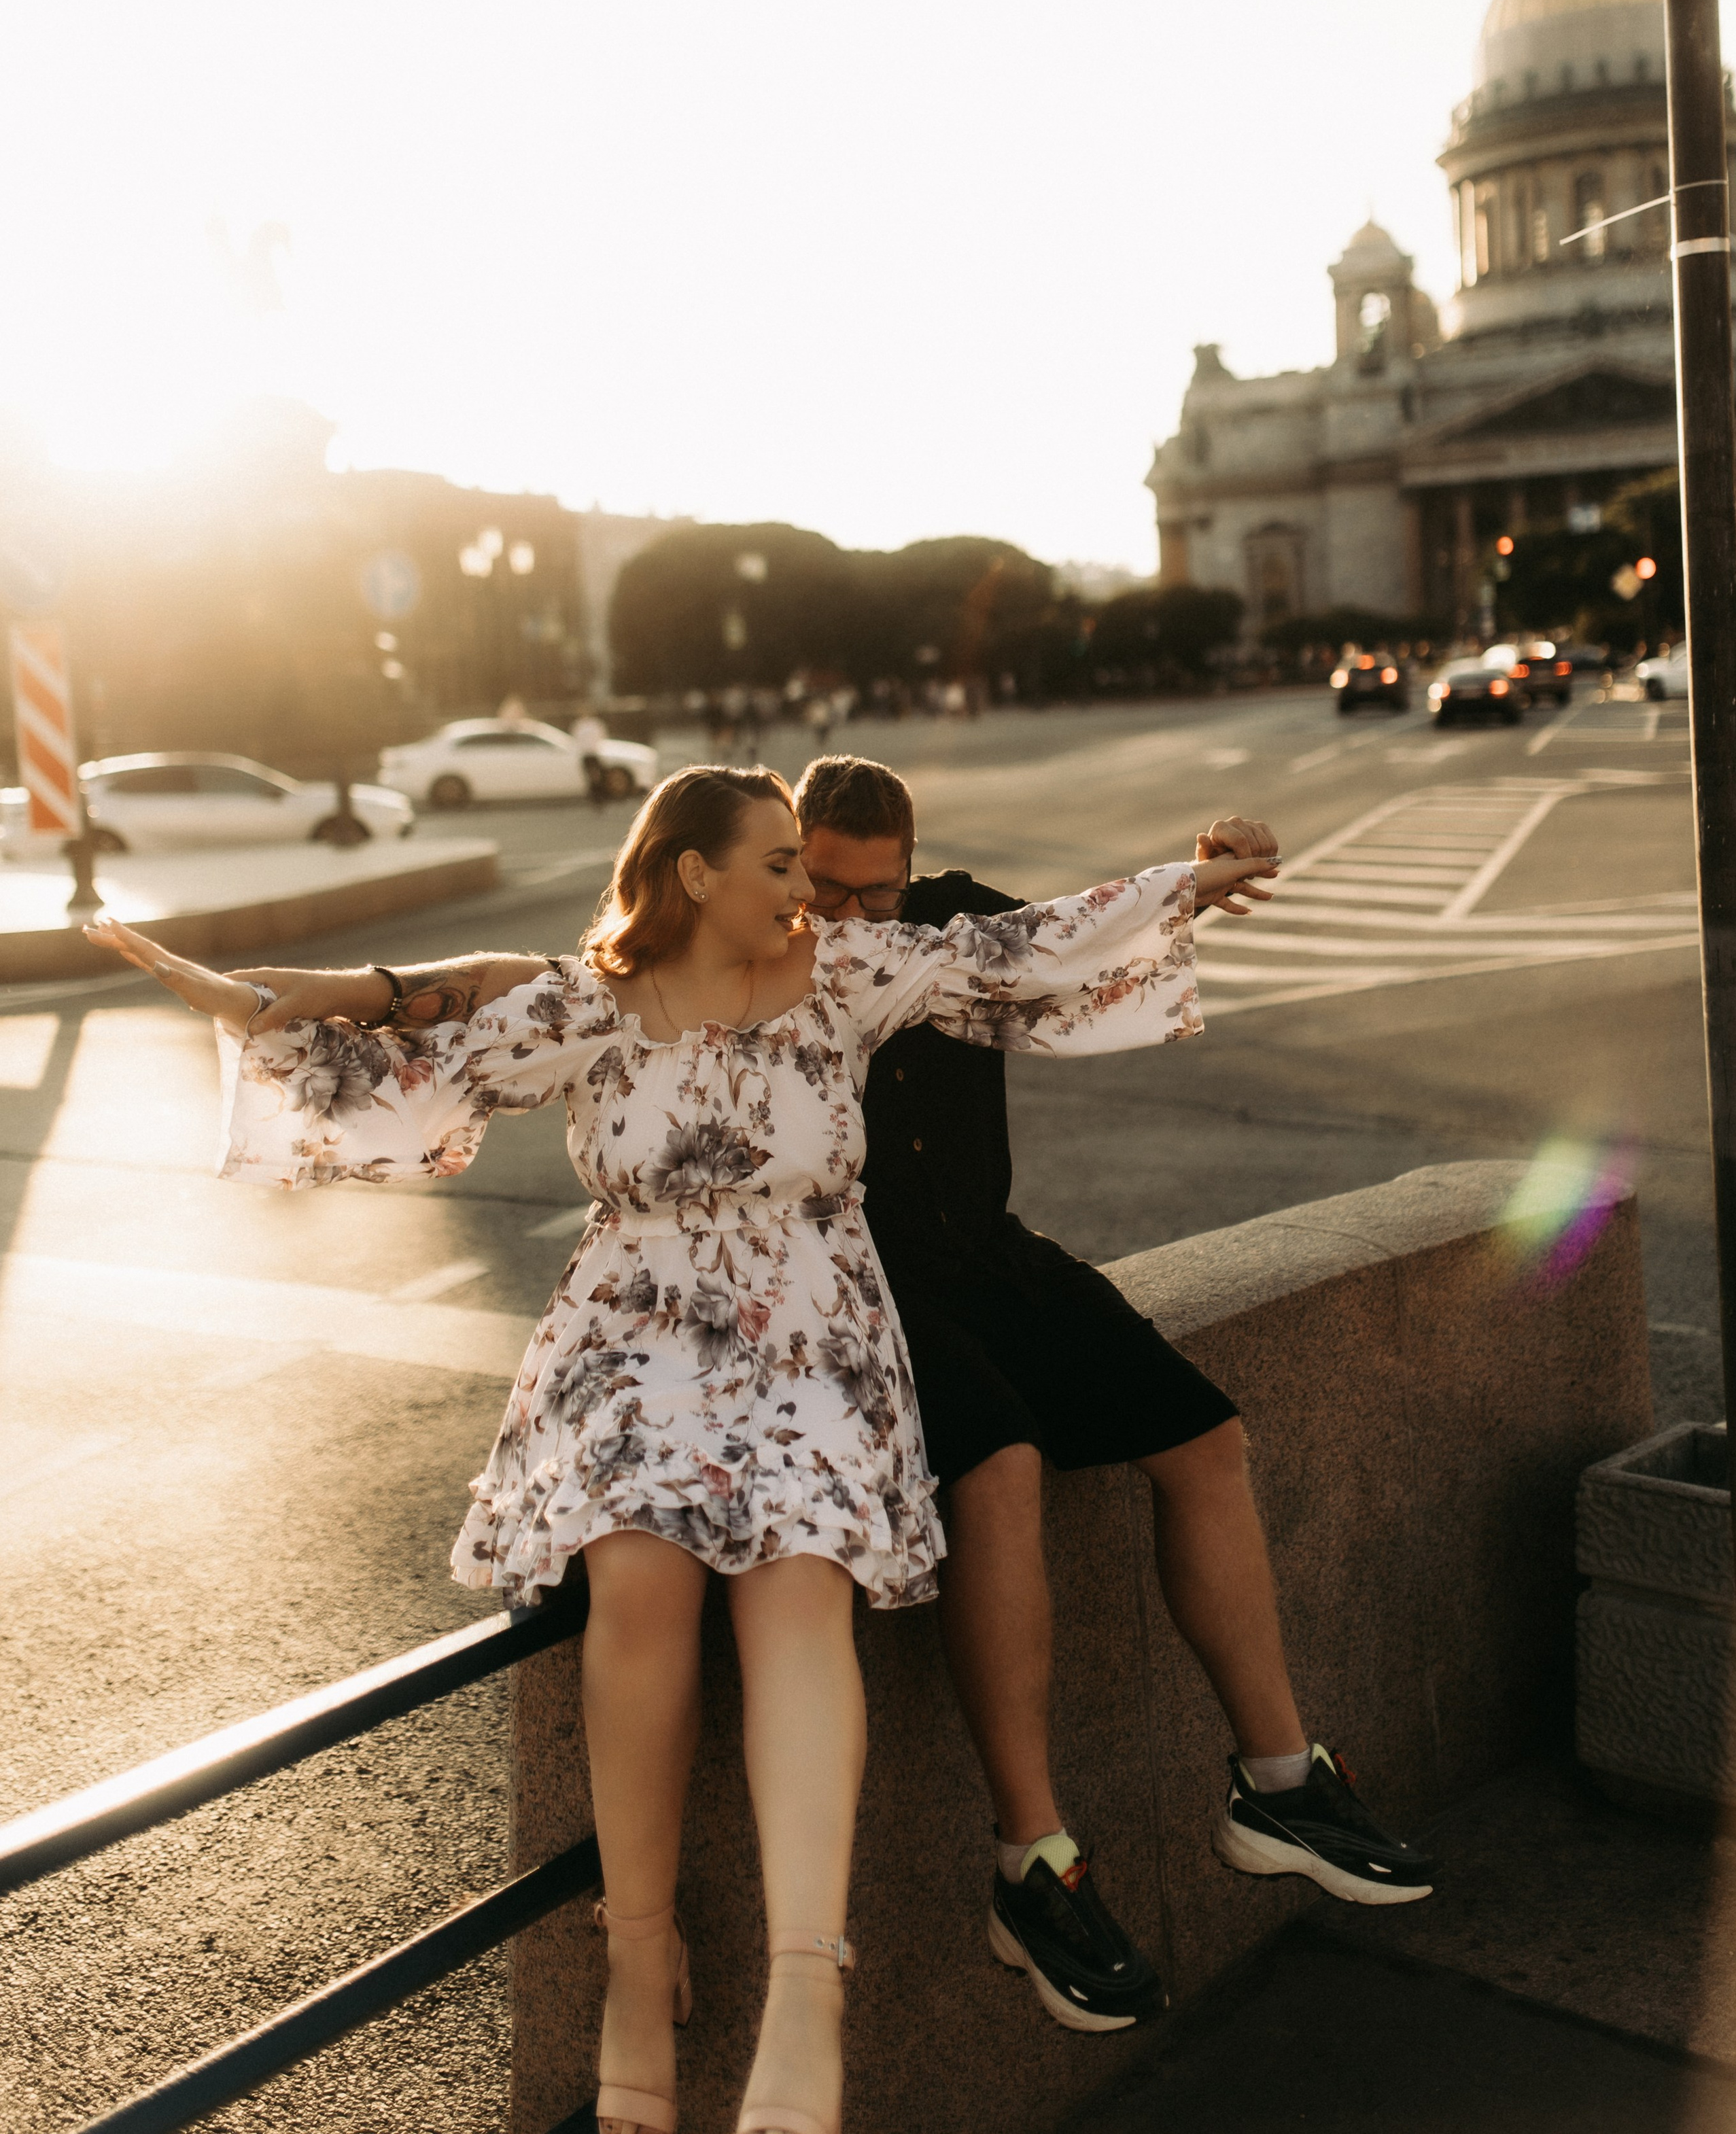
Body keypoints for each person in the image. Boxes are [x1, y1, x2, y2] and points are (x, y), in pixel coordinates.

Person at [88, 765, 1273, 2134]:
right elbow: (424, 1066)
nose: (805, 889)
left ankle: (805, 1988)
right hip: (634, 1340)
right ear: (695, 873)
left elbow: (1017, 953)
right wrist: (253, 1005)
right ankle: (637, 1961)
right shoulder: (591, 1001)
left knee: (798, 1588)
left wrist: (1193, 883)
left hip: (812, 1337)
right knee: (640, 1582)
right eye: (779, 863)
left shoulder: (843, 975)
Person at [789, 756, 1435, 2032]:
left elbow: (1079, 936)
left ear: (912, 867)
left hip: (990, 1255)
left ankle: (1280, 1783)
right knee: (1001, 1462)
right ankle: (1032, 1860)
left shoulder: (956, 921)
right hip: (863, 1286)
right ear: (790, 861)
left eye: (878, 893)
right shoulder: (762, 947)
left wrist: (1193, 876)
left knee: (1204, 1432)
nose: (852, 919)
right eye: (826, 890)